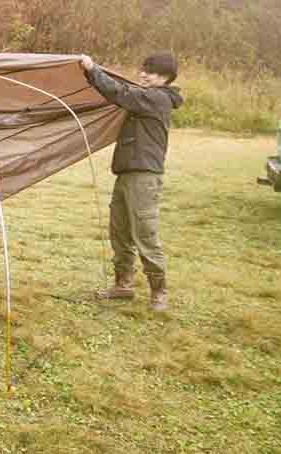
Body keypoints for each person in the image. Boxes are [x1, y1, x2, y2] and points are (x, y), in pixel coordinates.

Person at [81, 53, 183, 311]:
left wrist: (93, 70)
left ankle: (159, 292)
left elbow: (120, 93)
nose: (145, 74)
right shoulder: (145, 95)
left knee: (145, 233)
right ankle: (123, 285)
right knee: (120, 230)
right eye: (144, 69)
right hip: (127, 173)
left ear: (166, 78)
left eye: (153, 72)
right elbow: (123, 90)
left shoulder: (157, 98)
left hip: (144, 176)